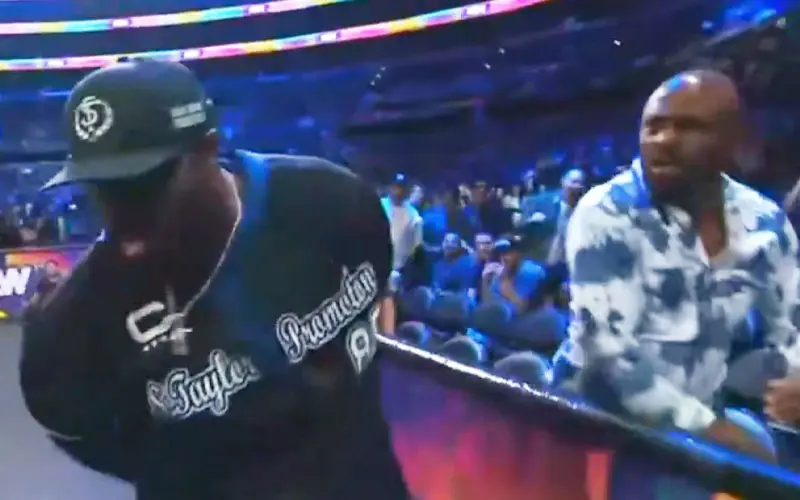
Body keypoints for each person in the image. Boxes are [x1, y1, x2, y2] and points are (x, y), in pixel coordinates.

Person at [19, 59, 408, 500]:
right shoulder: (75, 325)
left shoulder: (328, 203)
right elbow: (83, 432)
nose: (126, 224)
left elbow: (373, 288)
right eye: (105, 192)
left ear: (208, 147)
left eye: (146, 186)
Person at [566, 69, 799, 463]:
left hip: (701, 418)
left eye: (689, 127)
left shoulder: (763, 220)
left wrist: (796, 379)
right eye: (653, 127)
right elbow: (609, 356)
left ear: (732, 140)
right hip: (597, 425)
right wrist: (712, 431)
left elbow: (792, 321)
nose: (664, 140)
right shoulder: (605, 212)